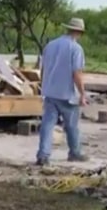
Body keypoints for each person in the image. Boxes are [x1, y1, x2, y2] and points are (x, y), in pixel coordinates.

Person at [36, 17, 89, 165]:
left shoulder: (50, 45)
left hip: (50, 91)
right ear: (79, 33)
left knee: (47, 124)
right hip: (67, 93)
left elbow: (43, 69)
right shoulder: (76, 48)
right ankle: (75, 152)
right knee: (71, 126)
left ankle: (43, 155)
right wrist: (82, 93)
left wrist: (44, 85)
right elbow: (77, 73)